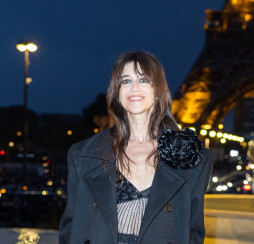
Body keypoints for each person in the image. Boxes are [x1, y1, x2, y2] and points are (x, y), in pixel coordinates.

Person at [59, 51, 213, 244]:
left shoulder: (192, 157)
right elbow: (71, 228)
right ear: (117, 93)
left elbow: (193, 231)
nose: (133, 88)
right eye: (125, 81)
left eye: (143, 79)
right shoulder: (82, 155)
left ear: (158, 91)